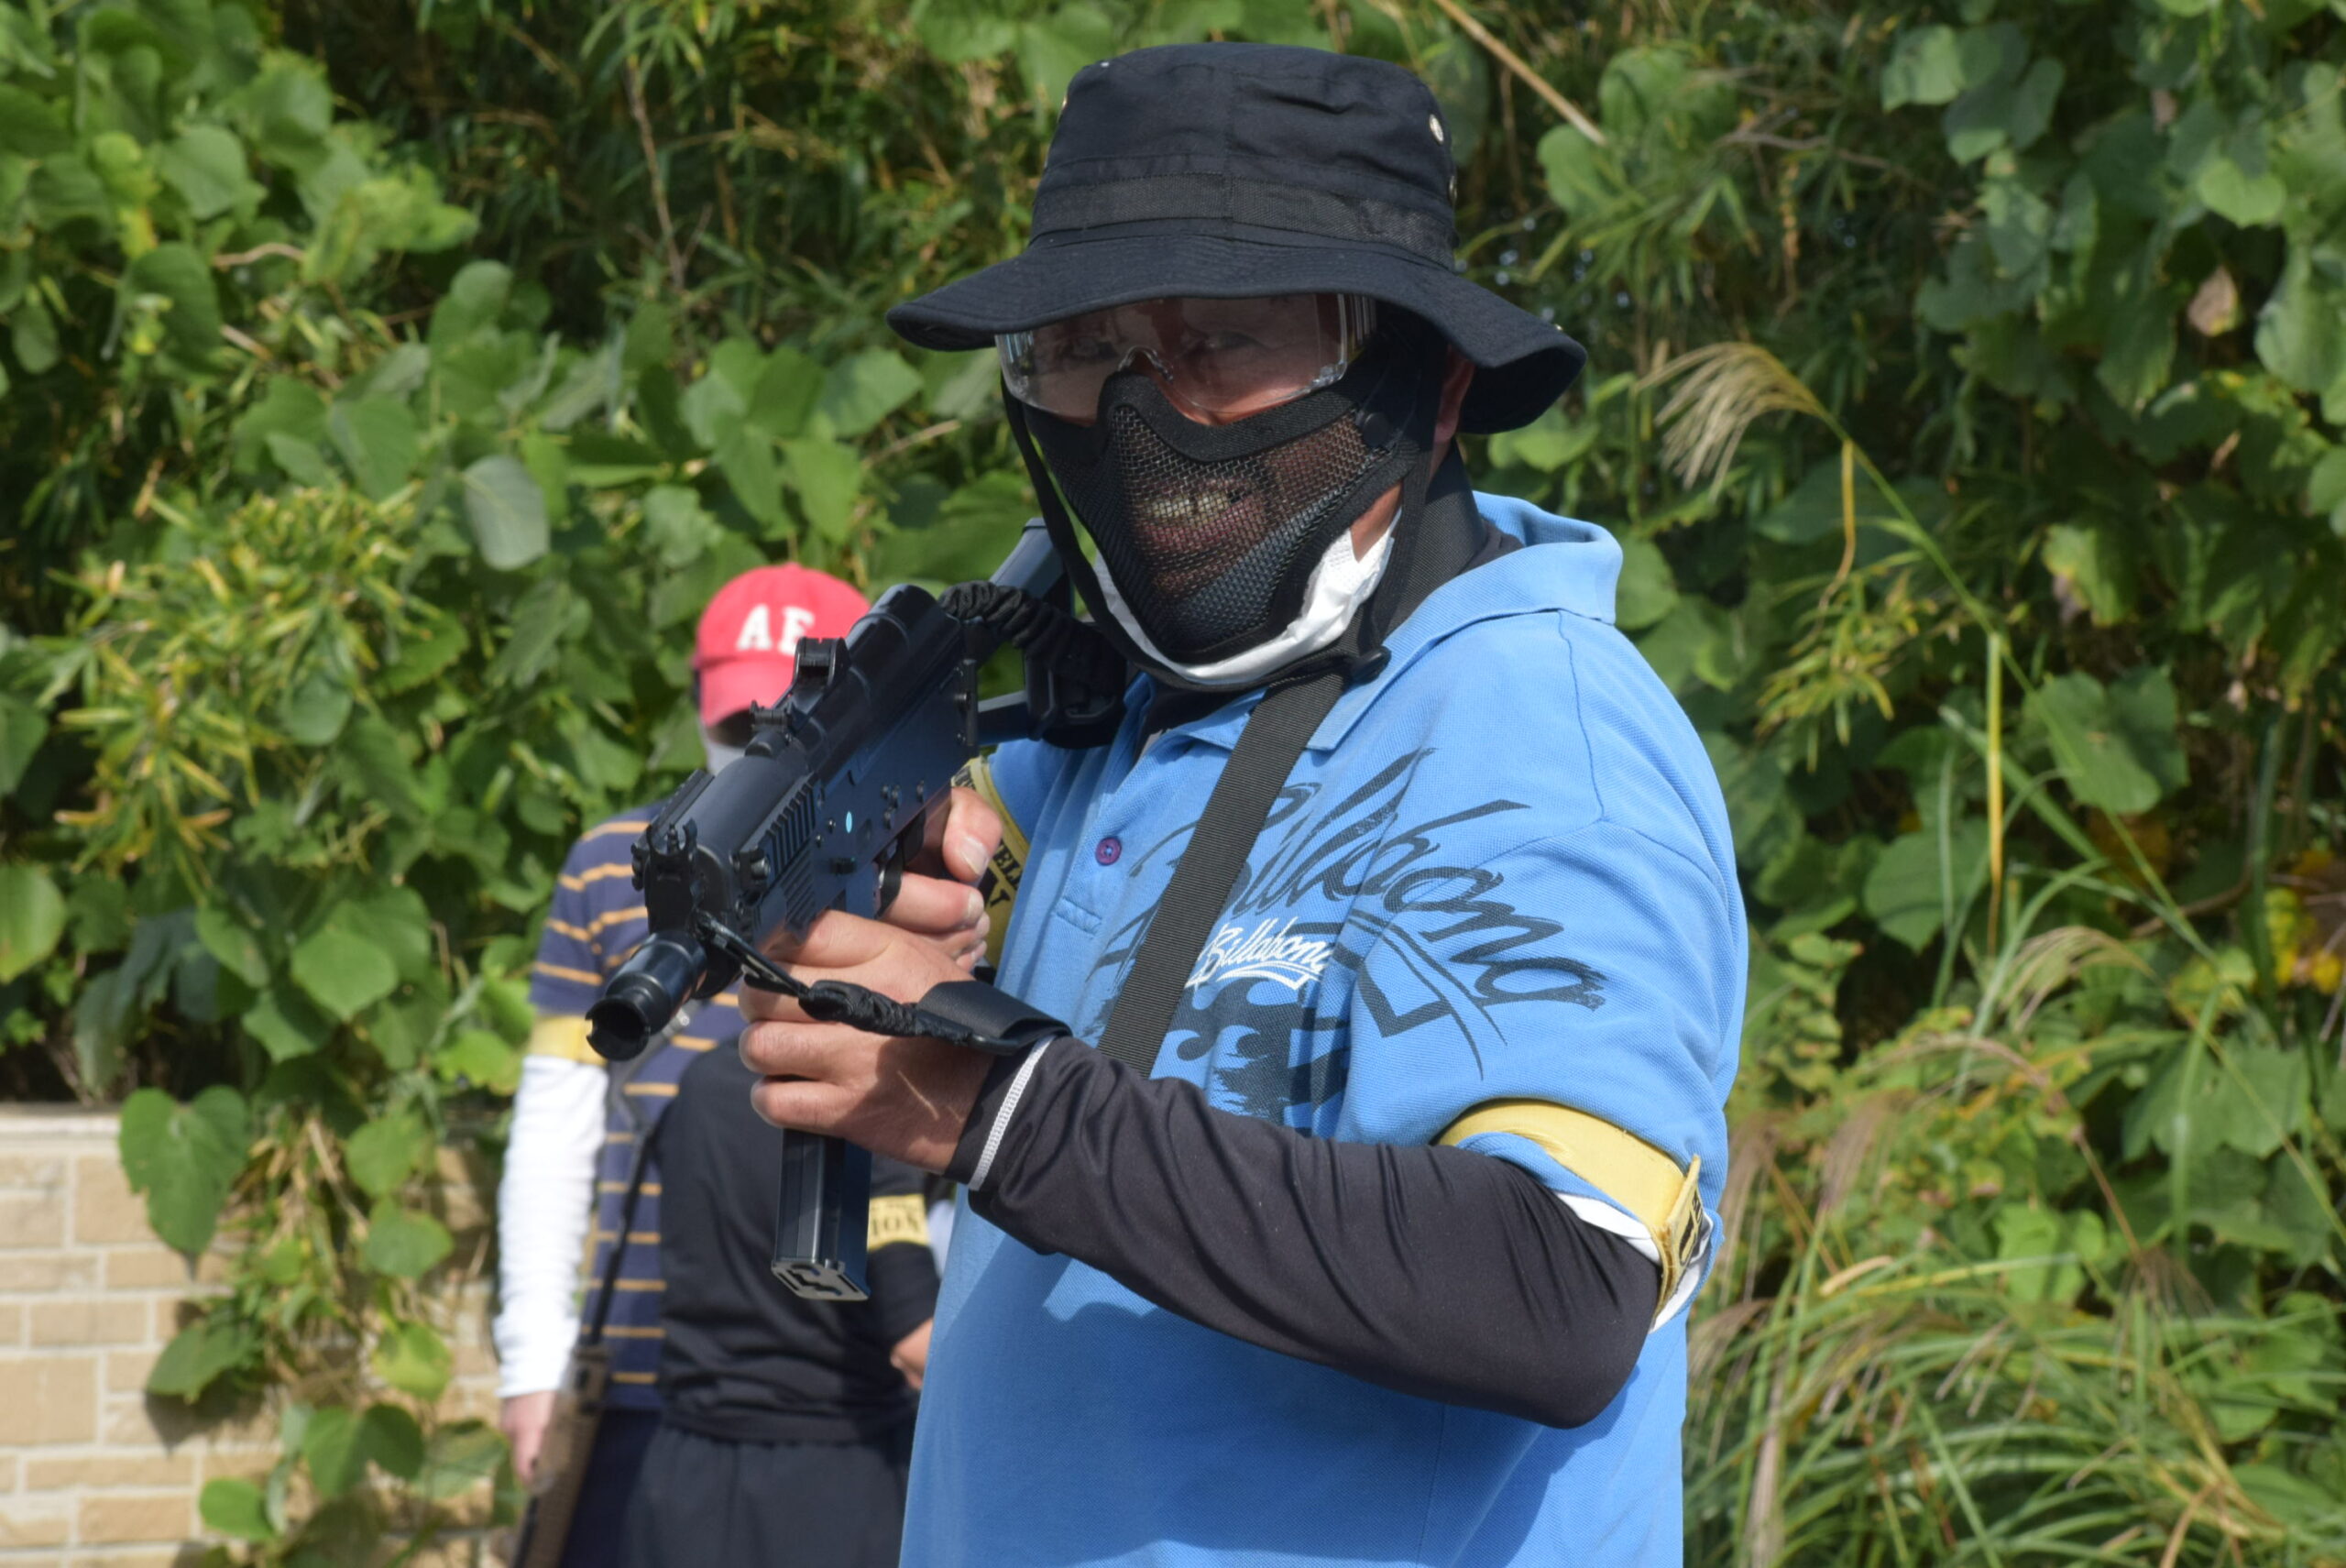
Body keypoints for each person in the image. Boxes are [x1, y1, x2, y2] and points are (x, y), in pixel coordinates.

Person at [734, 42, 1744, 1568]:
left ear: (1429, 381)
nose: (1149, 411)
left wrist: (998, 1108)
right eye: (1088, 351)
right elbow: (1030, 998)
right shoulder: (1122, 715)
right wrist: (886, 925)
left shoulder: (1537, 726)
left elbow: (1559, 1285)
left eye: (1222, 342)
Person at [495, 561, 917, 1566]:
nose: (752, 749)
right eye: (736, 724)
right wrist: (534, 1357)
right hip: (644, 1366)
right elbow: (556, 1124)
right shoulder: (614, 863)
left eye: (782, 724)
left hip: (851, 1385)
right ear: (695, 705)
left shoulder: (909, 874)